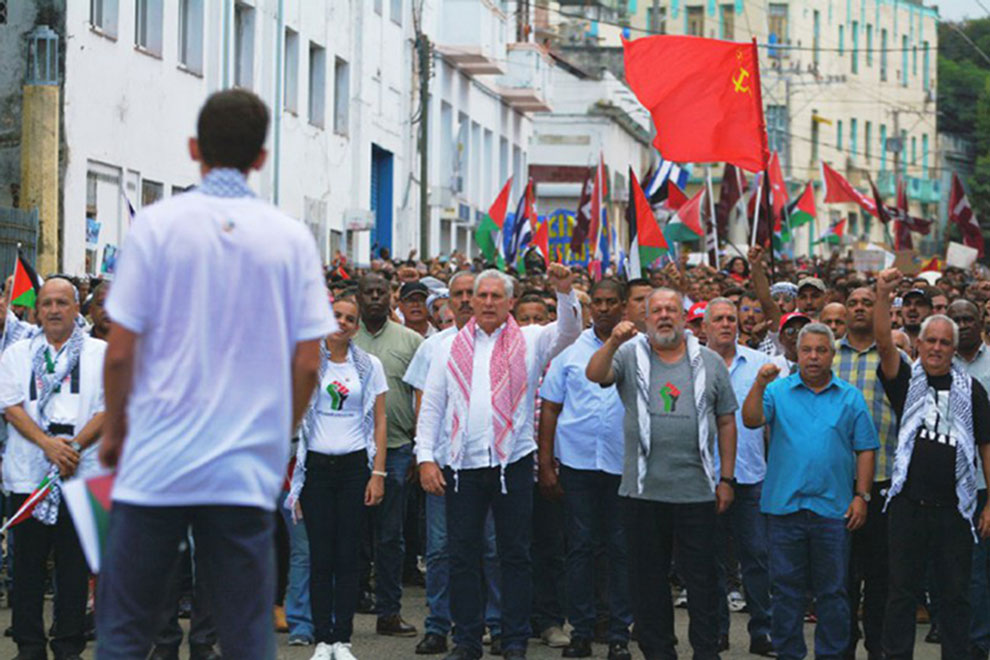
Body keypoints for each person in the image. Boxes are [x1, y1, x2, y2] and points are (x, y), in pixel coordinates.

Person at [95, 89, 335, 657]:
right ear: (261, 159)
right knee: (245, 632)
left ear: (193, 148)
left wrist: (114, 432)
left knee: (125, 629)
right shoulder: (290, 238)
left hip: (155, 463)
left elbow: (121, 352)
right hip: (241, 467)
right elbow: (306, 362)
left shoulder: (156, 227)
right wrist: (278, 436)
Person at [417, 264, 581, 660]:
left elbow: (570, 332)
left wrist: (563, 292)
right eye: (481, 295)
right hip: (462, 464)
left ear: (510, 301)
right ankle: (468, 641)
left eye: (496, 296)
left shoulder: (529, 339)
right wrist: (425, 458)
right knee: (462, 556)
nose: (488, 302)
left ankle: (513, 641)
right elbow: (433, 405)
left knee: (514, 555)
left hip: (513, 463)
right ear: (470, 301)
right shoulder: (446, 346)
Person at [586, 288, 738, 660]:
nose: (665, 316)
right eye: (657, 311)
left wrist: (727, 479)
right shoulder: (629, 354)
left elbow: (726, 420)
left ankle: (706, 650)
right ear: (646, 318)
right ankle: (658, 651)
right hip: (643, 491)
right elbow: (596, 374)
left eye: (672, 310)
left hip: (697, 491)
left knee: (702, 581)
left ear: (685, 319)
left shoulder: (709, 361)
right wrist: (613, 342)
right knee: (648, 582)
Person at [742, 322, 878, 660]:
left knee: (833, 593)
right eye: (807, 350)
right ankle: (789, 653)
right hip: (784, 510)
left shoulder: (850, 397)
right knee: (786, 593)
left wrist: (862, 497)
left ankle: (831, 655)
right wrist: (759, 384)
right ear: (796, 354)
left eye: (821, 350)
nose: (814, 357)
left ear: (832, 355)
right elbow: (750, 419)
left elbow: (865, 449)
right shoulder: (776, 390)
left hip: (834, 512)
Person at [874, 268, 990, 660]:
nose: (938, 348)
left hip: (956, 509)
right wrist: (882, 296)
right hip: (907, 505)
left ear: (953, 348)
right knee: (901, 593)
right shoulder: (906, 379)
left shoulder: (971, 390)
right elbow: (884, 346)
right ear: (919, 345)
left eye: (945, 342)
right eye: (931, 341)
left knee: (955, 596)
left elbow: (987, 446)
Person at [0, 278, 106, 660]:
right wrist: (48, 445)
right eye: (47, 303)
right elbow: (10, 406)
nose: (55, 310)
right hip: (29, 474)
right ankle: (29, 646)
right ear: (36, 309)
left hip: (83, 471)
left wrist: (72, 448)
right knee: (26, 567)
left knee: (75, 568)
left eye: (63, 302)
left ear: (77, 309)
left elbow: (109, 408)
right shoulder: (16, 353)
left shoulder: (100, 353)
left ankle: (68, 646)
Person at [403, 272, 504, 657]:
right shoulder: (435, 347)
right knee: (442, 549)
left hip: (487, 464)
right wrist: (425, 457)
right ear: (448, 301)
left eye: (471, 294)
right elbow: (422, 407)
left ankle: (494, 624)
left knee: (492, 547)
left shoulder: (502, 345)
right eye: (458, 294)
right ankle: (438, 625)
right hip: (445, 465)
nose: (464, 301)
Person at [286, 297, 388, 660]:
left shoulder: (369, 365)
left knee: (348, 557)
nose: (341, 323)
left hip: (353, 468)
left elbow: (379, 420)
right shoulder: (306, 361)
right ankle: (321, 640)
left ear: (357, 327)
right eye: (335, 316)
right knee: (320, 556)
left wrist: (377, 473)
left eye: (349, 319)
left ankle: (342, 639)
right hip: (315, 467)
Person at [537, 279, 632, 660]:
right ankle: (582, 630)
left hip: (622, 465)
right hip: (577, 465)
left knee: (620, 549)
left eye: (612, 302)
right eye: (599, 302)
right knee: (579, 548)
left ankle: (619, 632)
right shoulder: (569, 354)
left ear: (623, 306)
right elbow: (550, 408)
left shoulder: (638, 349)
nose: (604, 309)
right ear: (590, 306)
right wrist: (546, 464)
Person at [702, 298, 774, 656]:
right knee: (711, 559)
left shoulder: (761, 364)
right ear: (705, 327)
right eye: (719, 319)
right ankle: (716, 630)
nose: (727, 324)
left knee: (757, 556)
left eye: (732, 318)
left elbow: (774, 420)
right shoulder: (690, 363)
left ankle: (762, 631)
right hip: (704, 477)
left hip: (751, 475)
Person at [354, 274, 424, 637]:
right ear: (359, 297)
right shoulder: (342, 338)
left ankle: (389, 612)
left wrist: (420, 447)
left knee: (390, 536)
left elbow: (423, 397)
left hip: (397, 449)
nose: (376, 298)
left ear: (391, 296)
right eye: (370, 292)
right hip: (350, 451)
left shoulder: (411, 340)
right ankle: (343, 609)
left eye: (383, 292)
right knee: (350, 534)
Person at [834, 287, 900, 660]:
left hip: (884, 481)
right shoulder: (828, 357)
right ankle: (842, 647)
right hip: (837, 483)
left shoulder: (894, 358)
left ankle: (877, 647)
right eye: (853, 303)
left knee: (880, 577)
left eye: (867, 303)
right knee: (841, 577)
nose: (859, 308)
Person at [946, 299, 990, 660]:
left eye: (968, 319)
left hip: (982, 482)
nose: (962, 325)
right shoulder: (936, 365)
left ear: (980, 322)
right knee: (951, 570)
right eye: (956, 319)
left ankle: (977, 645)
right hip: (944, 484)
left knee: (977, 572)